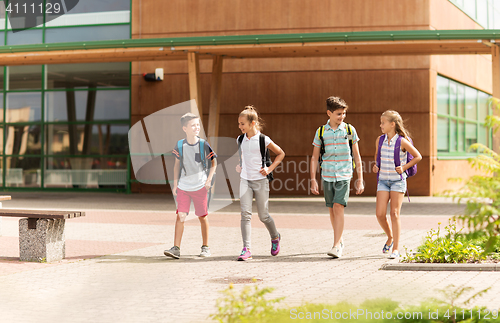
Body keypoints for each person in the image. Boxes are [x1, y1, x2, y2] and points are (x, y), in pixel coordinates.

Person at [310, 96, 364, 259]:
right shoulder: (321, 132)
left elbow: (356, 155)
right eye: (339, 114)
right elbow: (314, 157)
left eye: (344, 114)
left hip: (344, 174)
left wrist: (360, 178)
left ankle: (335, 246)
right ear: (329, 113)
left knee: (339, 207)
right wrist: (313, 179)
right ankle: (339, 240)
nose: (342, 117)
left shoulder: (349, 130)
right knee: (332, 209)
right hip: (327, 175)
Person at [164, 113, 217, 259]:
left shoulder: (203, 144)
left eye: (198, 125)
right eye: (193, 125)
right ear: (185, 128)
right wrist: (175, 184)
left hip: (200, 187)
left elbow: (214, 162)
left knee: (202, 216)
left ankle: (205, 247)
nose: (196, 127)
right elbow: (176, 166)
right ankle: (176, 248)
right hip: (183, 187)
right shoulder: (180, 145)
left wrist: (208, 180)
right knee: (180, 216)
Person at [235, 106, 285, 261]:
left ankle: (275, 236)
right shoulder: (240, 139)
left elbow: (281, 153)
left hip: (261, 181)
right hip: (245, 180)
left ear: (253, 123)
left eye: (242, 123)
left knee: (263, 215)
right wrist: (240, 165)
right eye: (239, 123)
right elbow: (243, 157)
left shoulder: (263, 139)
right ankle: (246, 248)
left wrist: (269, 169)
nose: (240, 126)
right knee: (245, 214)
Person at [372, 110, 422, 259]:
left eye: (383, 123)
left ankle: (396, 248)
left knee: (394, 213)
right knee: (380, 214)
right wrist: (376, 166)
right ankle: (390, 236)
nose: (380, 125)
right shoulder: (379, 140)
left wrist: (404, 168)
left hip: (397, 181)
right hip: (383, 181)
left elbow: (418, 156)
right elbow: (377, 155)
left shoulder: (402, 141)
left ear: (392, 124)